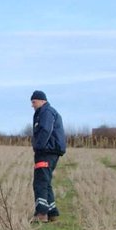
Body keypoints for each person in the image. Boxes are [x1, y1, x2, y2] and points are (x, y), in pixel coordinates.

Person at [30, 90, 66, 222]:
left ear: (42, 101)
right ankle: (52, 212)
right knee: (46, 181)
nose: (32, 105)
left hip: (46, 152)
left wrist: (38, 146)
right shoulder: (47, 112)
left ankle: (41, 213)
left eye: (34, 102)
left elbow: (46, 130)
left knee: (40, 182)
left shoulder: (46, 112)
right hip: (51, 151)